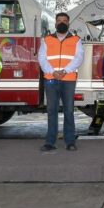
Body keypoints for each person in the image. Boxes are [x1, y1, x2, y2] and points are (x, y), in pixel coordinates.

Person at [38, 12, 84, 152]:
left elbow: (79, 58)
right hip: (51, 79)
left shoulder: (76, 39)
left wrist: (64, 71)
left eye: (64, 20)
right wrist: (53, 72)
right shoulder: (47, 39)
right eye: (59, 20)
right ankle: (50, 142)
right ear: (56, 23)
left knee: (69, 111)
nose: (62, 22)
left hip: (68, 79)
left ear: (68, 23)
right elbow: (42, 58)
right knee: (52, 111)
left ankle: (70, 141)